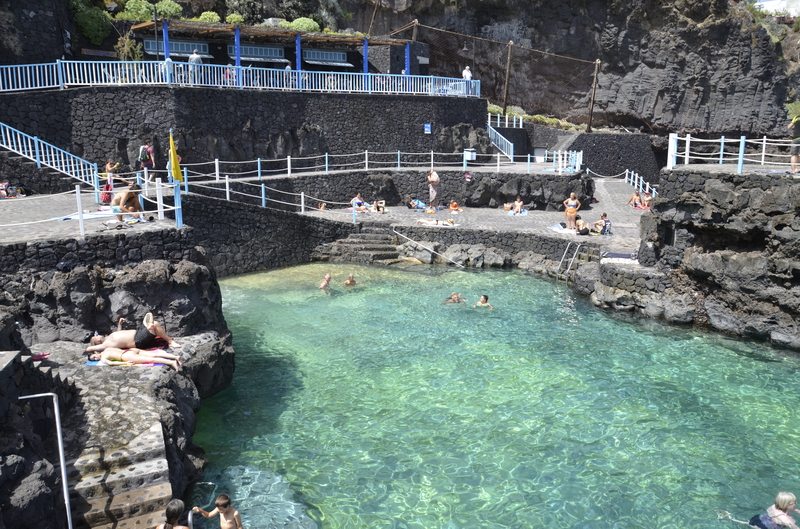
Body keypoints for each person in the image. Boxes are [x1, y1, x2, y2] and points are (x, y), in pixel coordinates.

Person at [87, 313, 181, 351]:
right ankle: (170, 341)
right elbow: (88, 349)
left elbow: (119, 333)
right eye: (96, 336)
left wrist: (120, 324)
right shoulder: (106, 345)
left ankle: (149, 326)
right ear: (98, 341)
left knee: (148, 315)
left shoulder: (109, 337)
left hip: (139, 332)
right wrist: (93, 350)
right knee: (155, 324)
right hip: (138, 340)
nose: (98, 335)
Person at [85, 346, 182, 372]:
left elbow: (111, 363)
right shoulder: (107, 349)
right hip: (129, 350)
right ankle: (175, 357)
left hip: (126, 356)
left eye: (94, 357)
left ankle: (171, 362)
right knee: (153, 355)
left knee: (151, 358)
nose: (96, 359)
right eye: (94, 359)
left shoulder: (103, 358)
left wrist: (125, 363)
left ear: (95, 352)